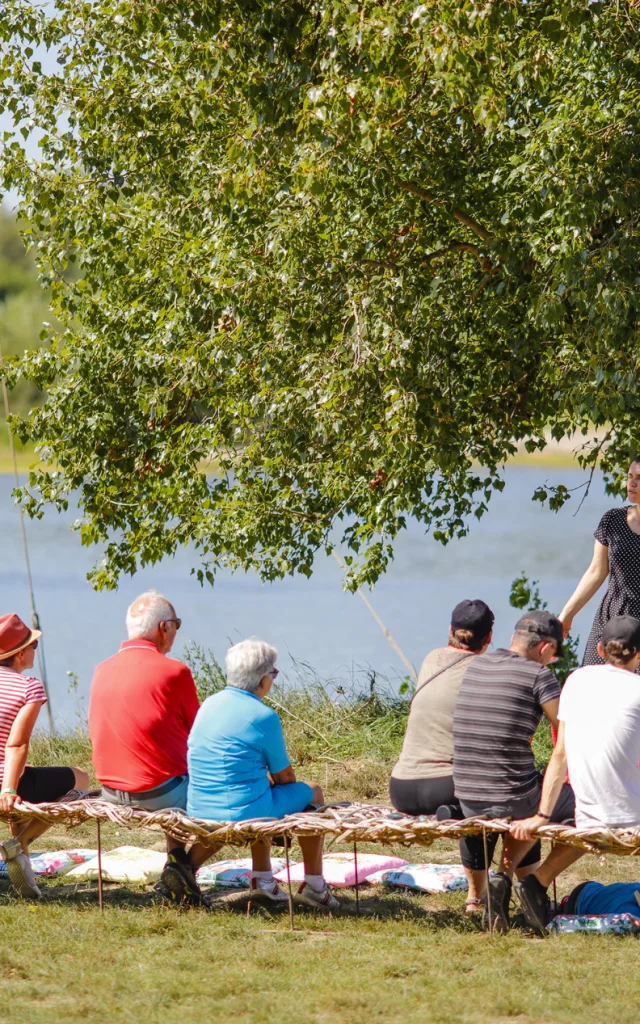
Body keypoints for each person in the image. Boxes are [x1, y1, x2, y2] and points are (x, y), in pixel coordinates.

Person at [188, 638, 339, 912]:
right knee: (313, 790)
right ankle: (315, 885)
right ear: (261, 680)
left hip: (199, 805)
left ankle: (263, 879)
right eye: (273, 673)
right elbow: (285, 778)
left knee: (260, 789)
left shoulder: (208, 704)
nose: (274, 679)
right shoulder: (263, 715)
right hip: (243, 812)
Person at [510, 615, 640, 933]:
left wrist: (543, 813)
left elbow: (560, 754)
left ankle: (537, 882)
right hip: (630, 819)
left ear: (598, 648)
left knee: (591, 825)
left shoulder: (576, 681)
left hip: (587, 813)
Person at [452, 609, 575, 932]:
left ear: (512, 639)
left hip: (466, 795)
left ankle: (500, 881)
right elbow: (566, 733)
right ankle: (527, 881)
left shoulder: (478, 664)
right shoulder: (539, 676)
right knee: (581, 805)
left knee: (523, 790)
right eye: (553, 656)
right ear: (546, 648)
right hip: (511, 799)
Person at [89, 590, 212, 904]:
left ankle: (177, 865)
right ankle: (182, 868)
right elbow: (199, 734)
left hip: (111, 792)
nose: (175, 632)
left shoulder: (102, 669)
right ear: (163, 629)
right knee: (228, 799)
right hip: (159, 794)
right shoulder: (175, 672)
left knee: (170, 770)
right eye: (176, 625)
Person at [390, 599, 494, 912]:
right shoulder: (484, 669)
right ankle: (476, 897)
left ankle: (455, 809)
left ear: (450, 630)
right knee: (489, 797)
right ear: (488, 638)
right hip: (445, 786)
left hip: (401, 788)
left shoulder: (432, 658)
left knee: (469, 792)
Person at [0, 613, 89, 898]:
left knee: (25, 772)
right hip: (5, 785)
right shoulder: (29, 687)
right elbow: (16, 745)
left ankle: (22, 861)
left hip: (11, 778)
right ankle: (20, 842)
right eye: (34, 646)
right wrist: (8, 789)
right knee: (82, 779)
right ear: (21, 652)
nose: (35, 651)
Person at [559, 456, 640, 664]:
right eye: (630, 476)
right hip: (611, 617)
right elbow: (596, 572)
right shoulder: (612, 519)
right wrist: (567, 615)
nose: (631, 483)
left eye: (639, 478)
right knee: (595, 684)